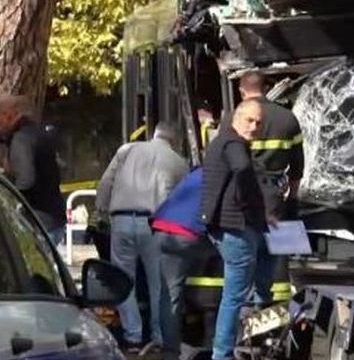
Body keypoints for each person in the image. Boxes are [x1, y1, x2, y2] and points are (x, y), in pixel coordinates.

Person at [96, 122, 188, 353]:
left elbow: (106, 183)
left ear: (153, 135)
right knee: (159, 284)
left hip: (121, 220)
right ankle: (157, 337)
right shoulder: (178, 162)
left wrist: (102, 211)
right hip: (154, 225)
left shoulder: (126, 150)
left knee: (124, 280)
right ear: (173, 141)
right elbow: (183, 199)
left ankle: (133, 336)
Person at [200, 99, 272, 360]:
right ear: (235, 119)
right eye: (249, 120)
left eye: (258, 122)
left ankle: (259, 303)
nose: (253, 127)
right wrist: (249, 204)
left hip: (226, 226)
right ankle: (223, 354)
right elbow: (241, 168)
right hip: (236, 228)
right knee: (233, 297)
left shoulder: (220, 142)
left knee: (265, 253)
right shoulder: (234, 143)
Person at [238, 71, 304, 304]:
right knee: (278, 253)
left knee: (245, 248)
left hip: (243, 193)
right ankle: (275, 303)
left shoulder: (237, 119)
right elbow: (297, 166)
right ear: (266, 88)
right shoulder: (288, 118)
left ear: (242, 91)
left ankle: (247, 302)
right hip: (276, 194)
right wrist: (292, 200)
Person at [151, 168, 205, 360]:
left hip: (162, 228)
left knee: (169, 295)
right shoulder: (228, 172)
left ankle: (170, 352)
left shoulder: (196, 173)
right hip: (188, 232)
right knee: (238, 255)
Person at [0, 96, 66, 250]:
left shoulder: (21, 139)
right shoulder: (36, 133)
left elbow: (25, 180)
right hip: (51, 217)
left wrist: (10, 204)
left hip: (38, 220)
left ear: (8, 114)